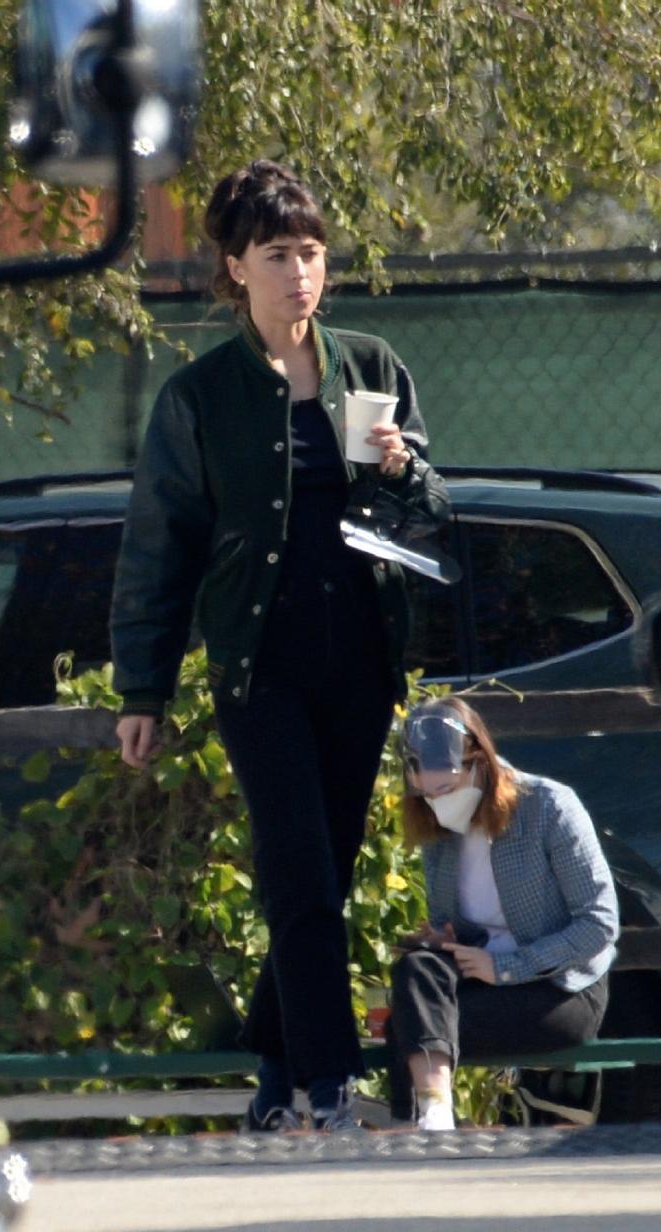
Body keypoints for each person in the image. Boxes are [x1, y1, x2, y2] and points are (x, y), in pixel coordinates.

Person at [110, 159, 449, 1132]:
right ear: (234, 267)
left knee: (326, 869)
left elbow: (422, 516)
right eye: (276, 255)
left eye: (310, 253)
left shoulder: (370, 366)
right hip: (259, 667)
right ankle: (330, 1083)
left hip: (358, 659)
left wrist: (402, 469)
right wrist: (143, 688)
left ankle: (272, 1061)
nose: (299, 273)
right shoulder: (200, 395)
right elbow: (157, 545)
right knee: (298, 864)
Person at [388, 694, 619, 1131]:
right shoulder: (438, 829)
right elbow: (452, 923)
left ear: (480, 763)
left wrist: (507, 967)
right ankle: (435, 1115)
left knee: (410, 1028)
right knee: (415, 973)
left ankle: (420, 1123)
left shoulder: (548, 805)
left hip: (562, 987)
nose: (439, 801)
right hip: (481, 979)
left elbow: (599, 923)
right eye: (428, 792)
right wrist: (441, 938)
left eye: (447, 788)